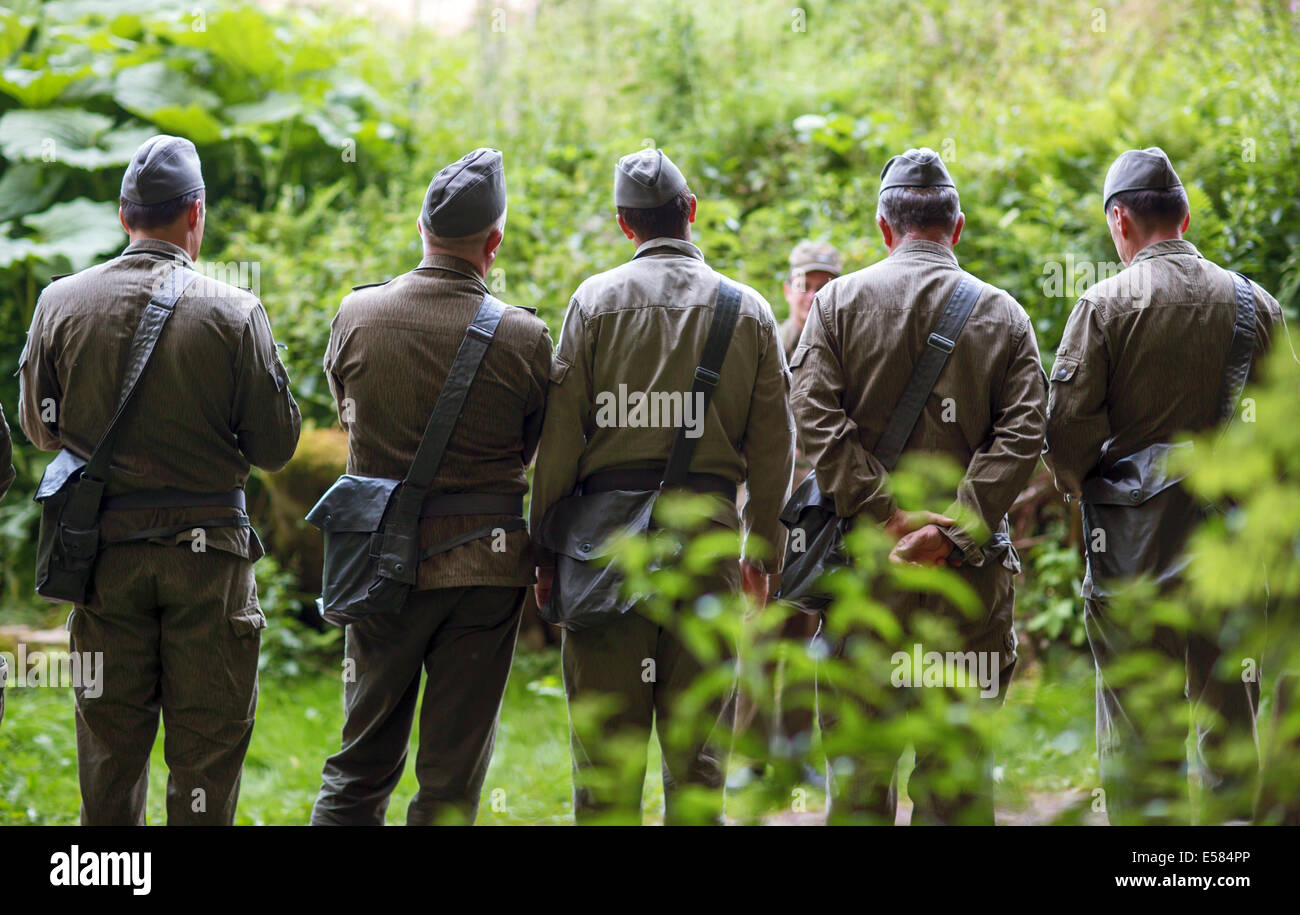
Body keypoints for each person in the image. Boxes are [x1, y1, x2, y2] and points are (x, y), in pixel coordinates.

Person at [18, 135, 301, 825]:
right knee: (207, 757)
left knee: (109, 759)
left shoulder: (60, 301)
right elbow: (275, 446)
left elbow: (39, 428)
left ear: (124, 216)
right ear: (195, 215)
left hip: (104, 558)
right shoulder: (236, 313)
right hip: (210, 566)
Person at [530, 148, 794, 824]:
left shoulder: (593, 302)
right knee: (700, 767)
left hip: (602, 553)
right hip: (706, 552)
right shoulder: (752, 310)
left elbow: (559, 441)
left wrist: (544, 548)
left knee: (605, 771)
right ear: (692, 213)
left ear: (625, 224)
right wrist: (764, 550)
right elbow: (774, 447)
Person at [790, 147, 1046, 824]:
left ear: (883, 226)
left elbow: (811, 413)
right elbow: (1025, 434)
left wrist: (884, 514)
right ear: (957, 227)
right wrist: (957, 527)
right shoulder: (1005, 315)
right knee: (957, 785)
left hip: (869, 577)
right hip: (969, 583)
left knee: (859, 783)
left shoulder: (837, 303)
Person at [310, 148, 552, 826]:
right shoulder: (526, 336)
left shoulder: (357, 314)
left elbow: (346, 408)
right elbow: (532, 444)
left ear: (420, 228)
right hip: (484, 567)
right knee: (451, 779)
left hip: (379, 563)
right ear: (494, 242)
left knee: (357, 766)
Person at [1043, 147, 1283, 825]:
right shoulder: (1255, 304)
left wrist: (1090, 484)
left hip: (1129, 555)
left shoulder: (1104, 304)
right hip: (1233, 549)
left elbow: (1065, 438)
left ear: (1121, 220)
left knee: (1137, 733)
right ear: (1182, 213)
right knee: (1232, 727)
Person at [732, 240, 843, 782]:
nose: (814, 293)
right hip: (764, 508)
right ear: (790, 288)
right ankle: (751, 759)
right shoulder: (765, 343)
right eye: (807, 283)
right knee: (758, 630)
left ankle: (798, 754)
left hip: (818, 515)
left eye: (825, 284)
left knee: (805, 631)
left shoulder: (841, 349)